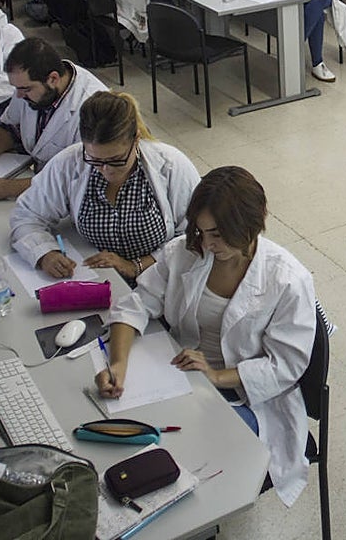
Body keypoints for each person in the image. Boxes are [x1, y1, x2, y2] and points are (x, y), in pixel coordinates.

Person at [100, 166, 316, 506]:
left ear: (252, 225)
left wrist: (215, 375)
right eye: (201, 232)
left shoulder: (288, 280)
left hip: (247, 396)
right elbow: (137, 305)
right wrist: (118, 363)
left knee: (187, 462)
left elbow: (286, 366)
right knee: (129, 440)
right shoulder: (187, 251)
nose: (207, 244)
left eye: (218, 234)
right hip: (180, 375)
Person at [10, 91, 200, 282]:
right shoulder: (69, 163)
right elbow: (27, 215)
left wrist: (136, 266)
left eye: (117, 160)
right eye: (95, 160)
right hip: (97, 276)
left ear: (136, 139)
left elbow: (193, 237)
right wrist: (45, 253)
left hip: (161, 276)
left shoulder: (171, 165)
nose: (106, 170)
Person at [0, 37, 108, 201]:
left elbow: (79, 179)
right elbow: (9, 128)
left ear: (53, 79)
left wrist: (8, 188)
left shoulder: (94, 111)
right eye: (16, 88)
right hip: (39, 182)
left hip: (73, 200)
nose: (19, 95)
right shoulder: (29, 87)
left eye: (25, 89)